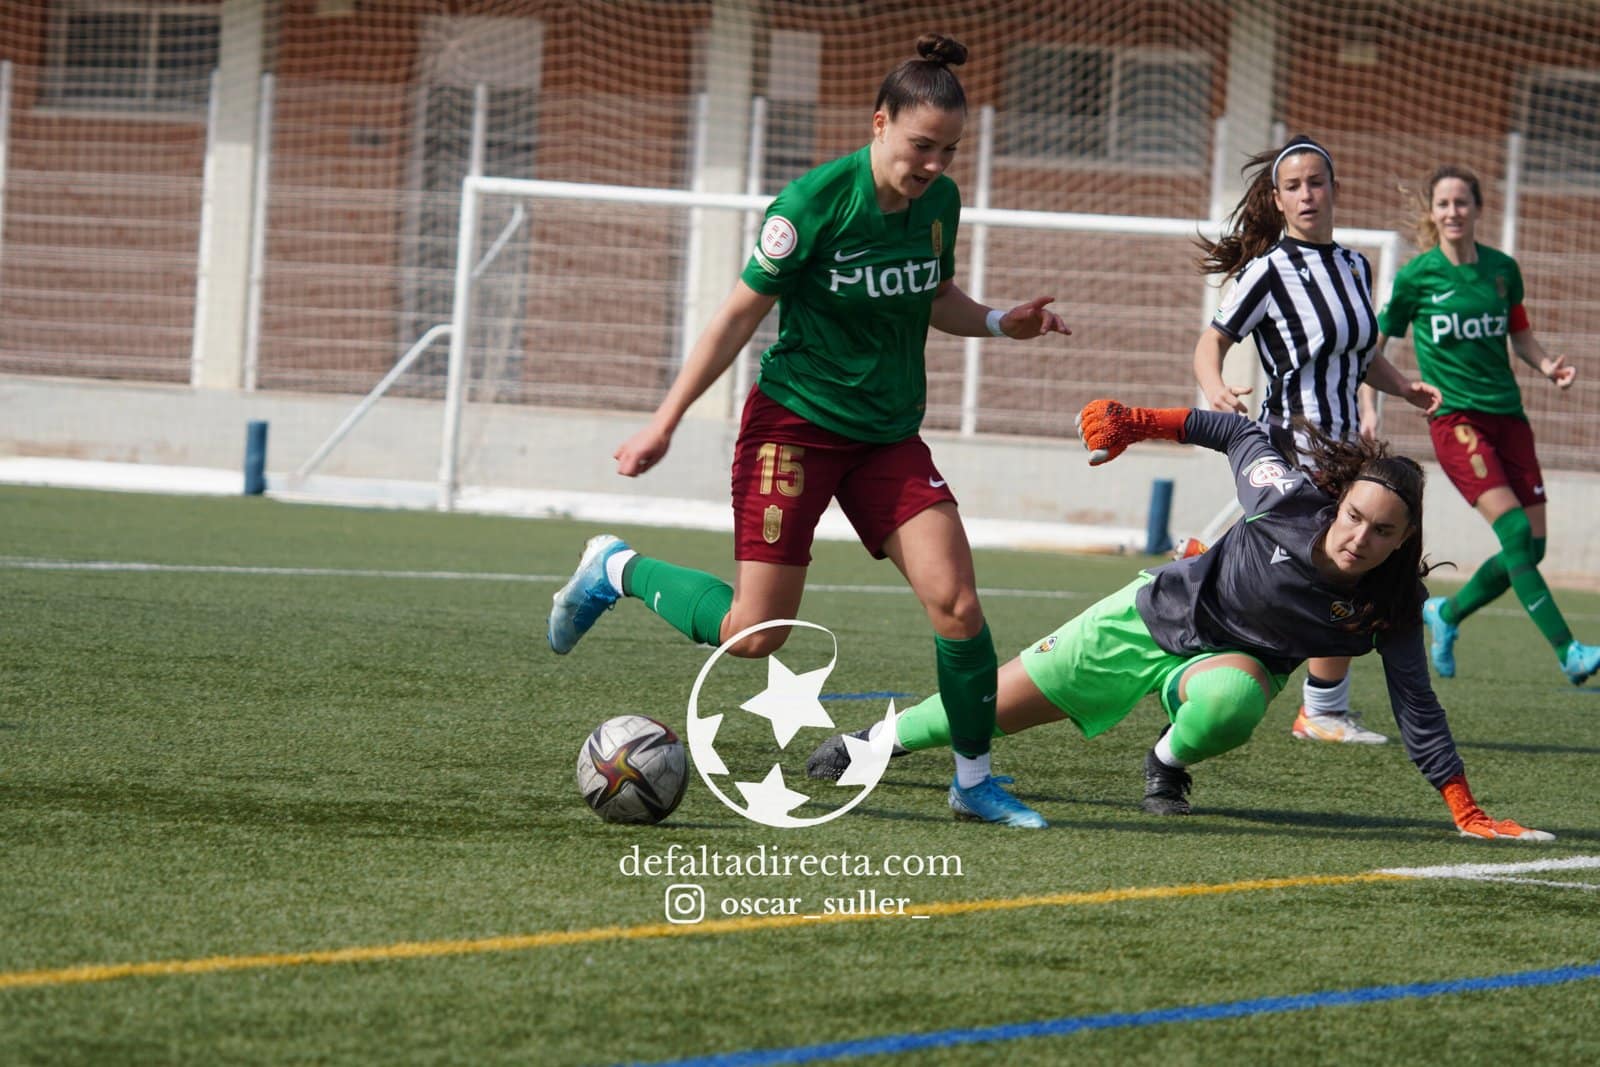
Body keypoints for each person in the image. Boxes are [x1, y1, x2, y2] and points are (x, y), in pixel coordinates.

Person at [545, 34, 1070, 828]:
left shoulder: (939, 204)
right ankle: (616, 568)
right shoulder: (811, 205)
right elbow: (733, 318)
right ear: (879, 123)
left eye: (949, 150)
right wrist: (665, 421)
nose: (933, 164)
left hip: (888, 436)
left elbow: (932, 295)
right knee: (756, 636)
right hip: (795, 428)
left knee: (958, 606)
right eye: (920, 145)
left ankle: (973, 781)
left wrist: (1000, 321)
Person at [807, 399, 1553, 841]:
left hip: (1227, 665)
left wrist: (1463, 804)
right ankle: (874, 743)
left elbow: (1416, 703)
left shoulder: (1390, 603)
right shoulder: (1285, 498)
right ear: (1339, 505)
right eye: (1355, 516)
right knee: (986, 709)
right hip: (1148, 617)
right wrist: (1138, 421)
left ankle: (1166, 761)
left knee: (1231, 703)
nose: (1360, 536)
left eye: (1382, 532)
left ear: (1403, 540)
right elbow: (1236, 432)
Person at [1192, 134, 1442, 745]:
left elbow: (1360, 355)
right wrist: (1215, 387)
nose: (1308, 194)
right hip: (1291, 444)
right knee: (1337, 568)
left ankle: (1318, 703)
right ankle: (1315, 704)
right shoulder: (1267, 271)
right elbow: (1211, 341)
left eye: (1317, 182)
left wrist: (1404, 387)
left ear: (1334, 189)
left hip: (1348, 448)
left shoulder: (1355, 265)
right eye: (1294, 186)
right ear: (1277, 200)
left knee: (1351, 566)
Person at [1370, 164, 1600, 686]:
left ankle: (1447, 615)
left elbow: (1520, 334)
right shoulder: (1417, 276)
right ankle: (1569, 652)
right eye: (1444, 204)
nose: (1453, 212)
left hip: (1510, 420)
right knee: (1516, 530)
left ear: (1477, 208)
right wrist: (1370, 405)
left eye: (1462, 203)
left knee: (1531, 547)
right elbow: (1374, 347)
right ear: (1432, 212)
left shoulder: (1501, 269)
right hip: (1456, 421)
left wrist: (1548, 367)